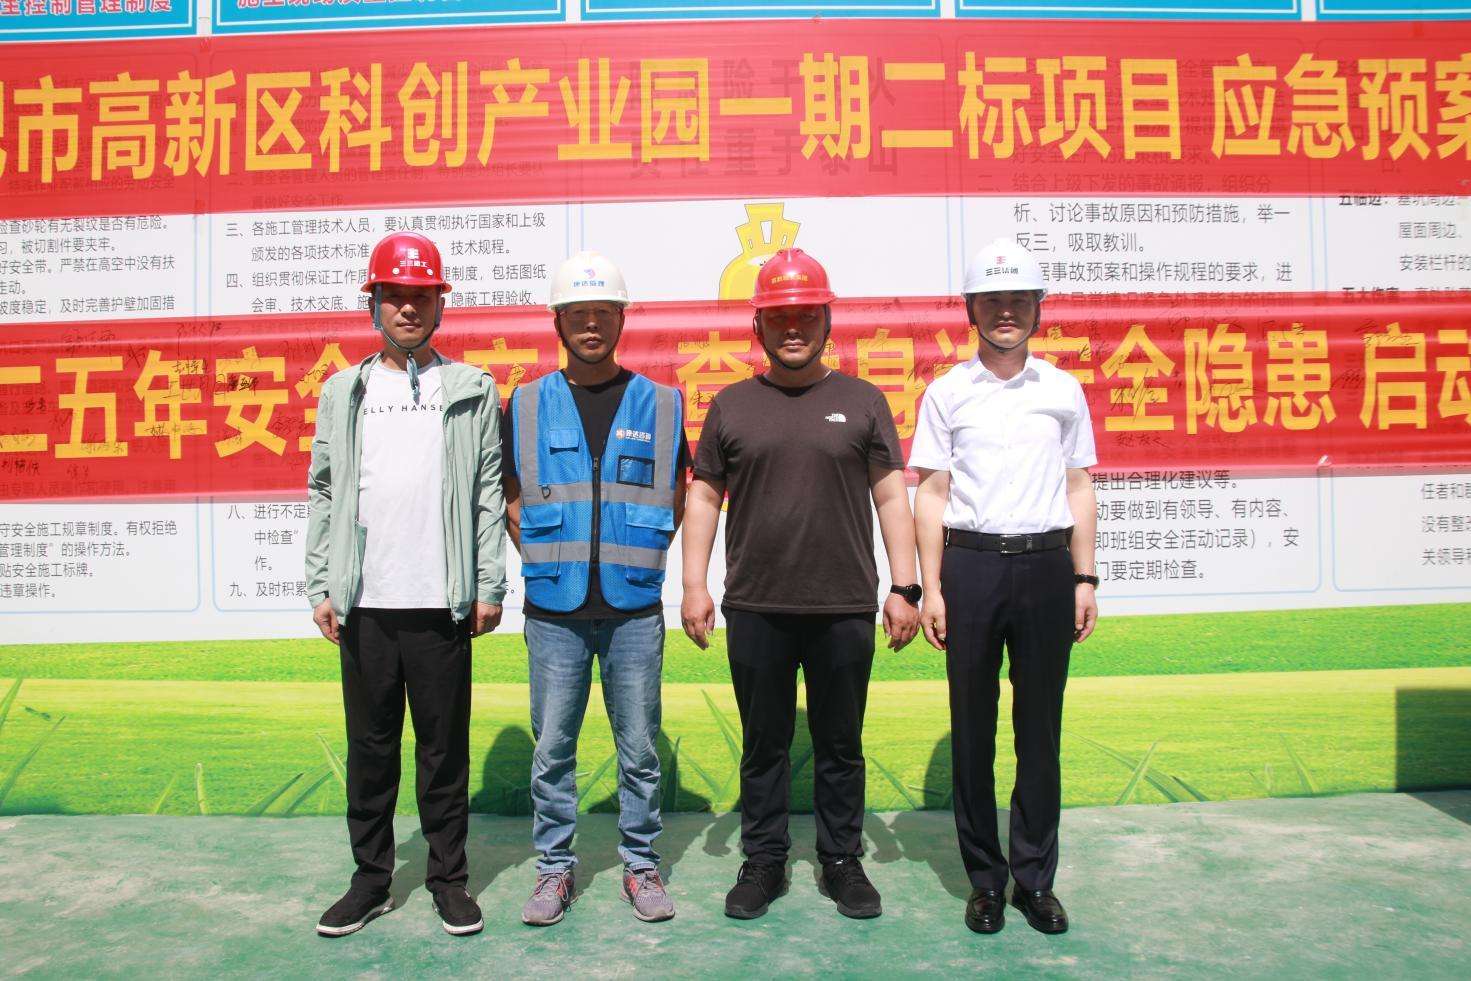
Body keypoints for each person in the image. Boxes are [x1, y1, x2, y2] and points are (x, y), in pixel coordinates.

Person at [681, 248, 921, 921]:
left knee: (841, 744)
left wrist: (905, 586)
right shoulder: (731, 405)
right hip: (756, 603)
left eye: (806, 315)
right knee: (764, 745)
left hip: (842, 603)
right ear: (758, 325)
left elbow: (891, 496)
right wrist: (693, 584)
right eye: (779, 316)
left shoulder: (862, 401)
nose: (794, 328)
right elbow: (704, 498)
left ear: (827, 321)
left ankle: (841, 860)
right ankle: (763, 860)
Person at [305, 231, 507, 938]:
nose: (409, 308)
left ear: (439, 305)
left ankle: (448, 880)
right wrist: (321, 584)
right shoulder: (344, 390)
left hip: (440, 602)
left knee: (443, 751)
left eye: (422, 296)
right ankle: (370, 880)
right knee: (371, 751)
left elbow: (487, 490)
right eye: (395, 296)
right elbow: (324, 489)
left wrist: (488, 583)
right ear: (375, 304)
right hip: (365, 603)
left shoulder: (471, 389)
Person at [909, 237, 1099, 936]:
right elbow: (931, 492)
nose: (1006, 312)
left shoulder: (1062, 390)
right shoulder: (947, 392)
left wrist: (1084, 575)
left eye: (1019, 299)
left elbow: (1079, 485)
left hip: (1047, 567)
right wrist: (932, 587)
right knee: (972, 727)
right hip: (972, 567)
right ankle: (985, 881)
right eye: (992, 300)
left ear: (1038, 308)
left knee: (1039, 728)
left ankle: (1035, 879)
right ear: (970, 309)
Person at [503, 250, 689, 926]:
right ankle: (554, 869)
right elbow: (511, 496)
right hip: (554, 612)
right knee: (552, 749)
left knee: (639, 749)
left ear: (621, 319)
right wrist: (549, 559)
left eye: (603, 312)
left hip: (633, 609)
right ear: (557, 320)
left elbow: (676, 494)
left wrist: (637, 557)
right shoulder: (525, 404)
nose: (590, 324)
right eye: (577, 312)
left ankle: (640, 865)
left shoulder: (661, 404)